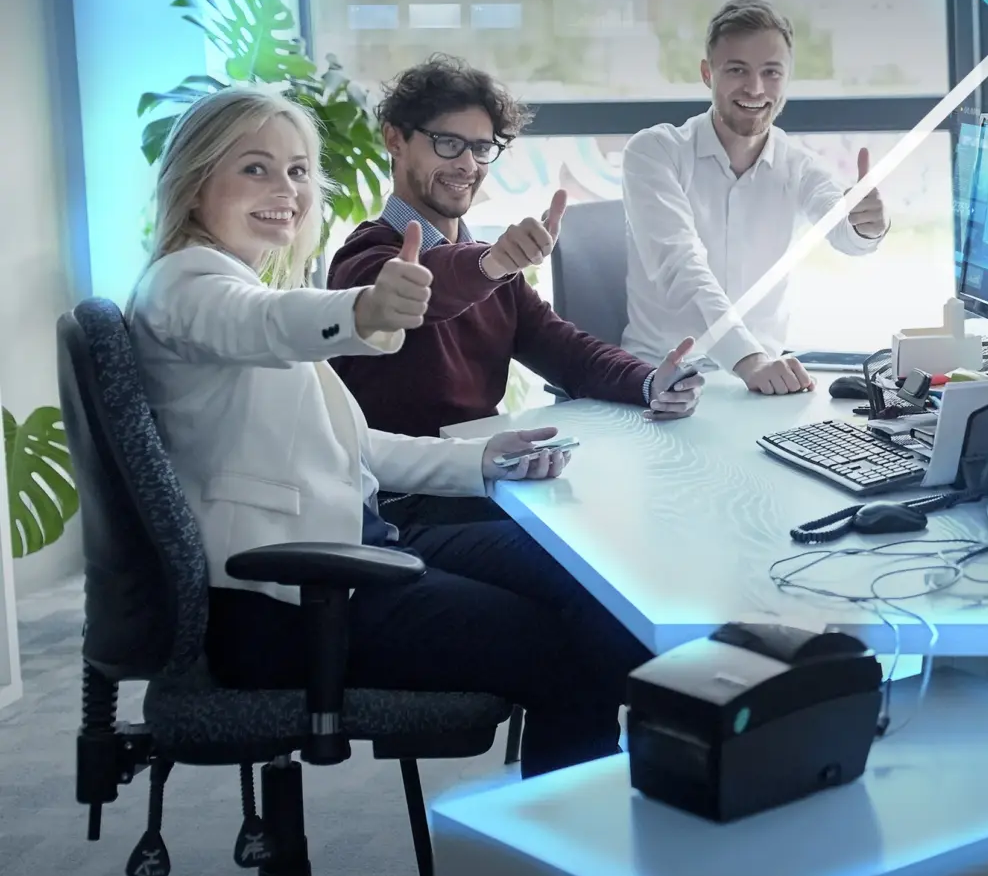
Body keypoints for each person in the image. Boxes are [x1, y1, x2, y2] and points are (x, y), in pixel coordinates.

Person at [126, 86, 649, 774]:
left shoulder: (236, 280)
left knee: (588, 585)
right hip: (287, 605)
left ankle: (597, 821)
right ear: (195, 182)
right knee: (572, 643)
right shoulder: (187, 284)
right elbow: (267, 322)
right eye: (254, 167)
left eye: (298, 169)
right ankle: (587, 844)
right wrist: (368, 307)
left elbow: (358, 446)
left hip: (345, 554)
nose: (285, 187)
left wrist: (481, 461)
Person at [329, 57, 701, 496]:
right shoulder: (365, 259)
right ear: (395, 139)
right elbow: (426, 289)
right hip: (411, 506)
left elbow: (567, 352)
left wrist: (650, 382)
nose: (468, 164)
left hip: (489, 488)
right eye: (447, 143)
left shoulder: (486, 272)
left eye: (481, 148)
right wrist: (492, 264)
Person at [619, 0, 890, 394]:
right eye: (737, 70)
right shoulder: (654, 152)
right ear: (707, 73)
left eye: (771, 72)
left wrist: (867, 225)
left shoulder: (798, 164)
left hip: (759, 387)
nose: (755, 88)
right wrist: (750, 360)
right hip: (662, 378)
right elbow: (680, 266)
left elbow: (843, 229)